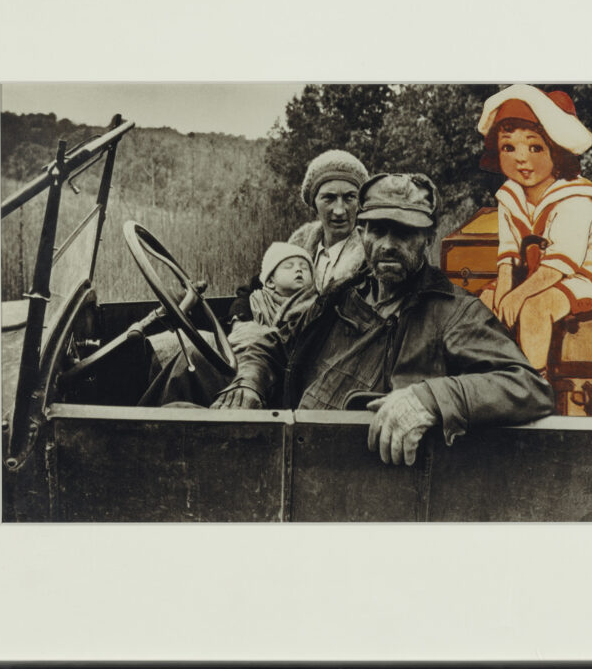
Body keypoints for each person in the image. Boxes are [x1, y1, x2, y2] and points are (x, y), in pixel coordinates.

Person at [212, 173, 554, 466]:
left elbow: (528, 387)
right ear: (362, 234)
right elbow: (278, 346)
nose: (388, 245)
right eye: (378, 231)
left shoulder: (452, 312)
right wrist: (249, 380)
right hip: (293, 448)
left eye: (404, 233)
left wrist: (430, 398)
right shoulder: (339, 296)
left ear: (427, 239)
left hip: (360, 470)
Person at [475, 84, 592, 372]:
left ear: (558, 152)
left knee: (534, 308)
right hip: (532, 276)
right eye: (508, 147)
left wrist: (517, 295)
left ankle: (533, 384)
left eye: (535, 147)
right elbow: (508, 256)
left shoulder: (575, 200)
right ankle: (492, 376)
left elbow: (559, 265)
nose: (521, 157)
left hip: (584, 280)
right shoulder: (510, 196)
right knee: (484, 302)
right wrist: (503, 291)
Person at [145, 243, 314, 405]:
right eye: (289, 266)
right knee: (170, 344)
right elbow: (225, 327)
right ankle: (152, 417)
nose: (298, 269)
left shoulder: (313, 307)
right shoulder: (254, 301)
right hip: (237, 356)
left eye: (304, 267)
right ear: (270, 282)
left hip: (272, 375)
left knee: (193, 357)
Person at [287, 150, 368, 293]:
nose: (339, 211)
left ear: (360, 203)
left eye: (349, 197)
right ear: (314, 204)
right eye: (329, 198)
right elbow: (261, 283)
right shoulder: (298, 246)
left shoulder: (371, 256)